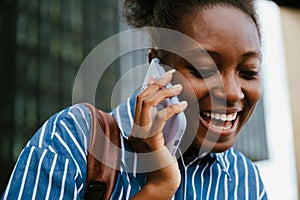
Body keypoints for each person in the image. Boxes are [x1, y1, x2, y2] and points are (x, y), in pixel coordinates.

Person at [1, 0, 268, 199]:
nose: (233, 93)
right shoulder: (75, 140)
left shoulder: (245, 182)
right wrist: (158, 188)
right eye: (203, 70)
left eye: (248, 72)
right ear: (157, 68)